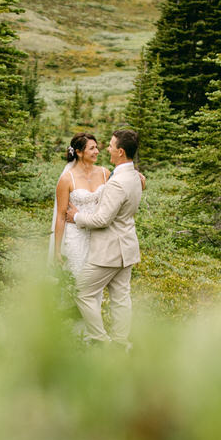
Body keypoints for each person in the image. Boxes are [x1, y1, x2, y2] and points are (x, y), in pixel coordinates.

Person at [64, 129, 143, 346]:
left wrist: (76, 216)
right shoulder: (134, 176)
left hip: (109, 250)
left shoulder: (117, 182)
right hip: (127, 247)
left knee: (82, 292)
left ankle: (101, 341)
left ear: (120, 151)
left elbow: (102, 220)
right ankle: (120, 343)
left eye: (110, 145)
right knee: (120, 299)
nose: (106, 149)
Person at [51, 132, 109, 271]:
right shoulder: (66, 179)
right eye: (92, 148)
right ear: (79, 152)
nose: (97, 151)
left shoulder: (105, 173)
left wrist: (137, 176)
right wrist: (57, 250)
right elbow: (60, 216)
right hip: (76, 236)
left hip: (99, 234)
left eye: (96, 147)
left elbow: (120, 188)